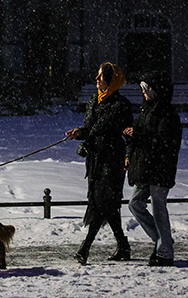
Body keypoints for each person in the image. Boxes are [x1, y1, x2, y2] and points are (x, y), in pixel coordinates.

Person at [66, 62, 134, 265]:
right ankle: (123, 245)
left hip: (113, 160)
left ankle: (85, 248)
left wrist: (129, 156)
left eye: (101, 77)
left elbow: (129, 133)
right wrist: (79, 133)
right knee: (107, 205)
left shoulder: (121, 105)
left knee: (101, 203)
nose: (97, 79)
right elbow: (90, 128)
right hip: (95, 160)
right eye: (97, 76)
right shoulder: (93, 101)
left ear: (111, 80)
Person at [123, 71, 182, 267]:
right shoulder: (146, 111)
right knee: (135, 204)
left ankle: (165, 252)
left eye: (146, 90)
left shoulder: (167, 115)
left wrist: (138, 134)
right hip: (145, 167)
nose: (144, 94)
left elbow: (165, 143)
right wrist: (129, 154)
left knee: (158, 209)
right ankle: (162, 241)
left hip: (159, 169)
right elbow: (141, 136)